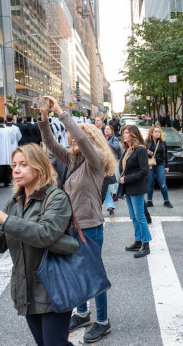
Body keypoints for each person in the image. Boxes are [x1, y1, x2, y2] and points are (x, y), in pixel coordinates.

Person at [0, 143, 78, 346]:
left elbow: (46, 234)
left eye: (23, 164)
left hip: (55, 285)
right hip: (26, 287)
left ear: (39, 167)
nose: (16, 170)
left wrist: (6, 220)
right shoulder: (14, 201)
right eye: (14, 165)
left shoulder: (56, 198)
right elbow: (1, 244)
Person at [38, 97, 115, 342]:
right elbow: (50, 142)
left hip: (90, 226)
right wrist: (43, 116)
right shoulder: (72, 159)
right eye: (71, 137)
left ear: (90, 141)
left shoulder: (95, 162)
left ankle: (102, 321)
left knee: (93, 274)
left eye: (77, 137)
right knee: (75, 271)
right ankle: (82, 313)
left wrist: (60, 111)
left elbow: (81, 138)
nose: (72, 140)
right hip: (71, 226)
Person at [120, 125, 152, 258]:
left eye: (127, 133)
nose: (124, 135)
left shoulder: (140, 150)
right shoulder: (127, 150)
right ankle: (138, 241)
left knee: (140, 217)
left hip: (137, 188)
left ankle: (146, 245)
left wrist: (126, 179)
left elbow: (145, 171)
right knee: (133, 217)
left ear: (133, 135)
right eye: (124, 133)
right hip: (128, 188)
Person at [145, 126, 173, 208]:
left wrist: (167, 166)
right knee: (150, 184)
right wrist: (148, 153)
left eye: (159, 132)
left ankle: (166, 201)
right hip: (150, 165)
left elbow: (166, 154)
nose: (157, 133)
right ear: (152, 133)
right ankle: (149, 201)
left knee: (162, 183)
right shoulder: (147, 142)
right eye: (156, 131)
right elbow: (143, 153)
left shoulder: (162, 142)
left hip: (160, 165)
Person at [0, 117, 17, 188]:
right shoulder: (8, 130)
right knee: (7, 167)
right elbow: (13, 140)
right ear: (4, 121)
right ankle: (6, 181)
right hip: (6, 150)